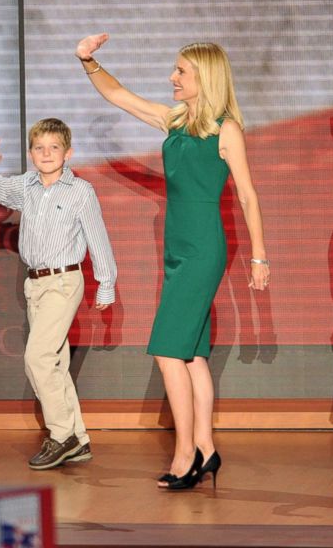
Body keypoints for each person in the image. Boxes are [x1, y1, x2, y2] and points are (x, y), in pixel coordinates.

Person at [75, 34, 269, 491]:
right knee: (193, 356)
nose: (172, 78)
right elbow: (118, 96)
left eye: (181, 71)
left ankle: (185, 455)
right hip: (176, 248)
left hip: (204, 248)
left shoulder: (227, 130)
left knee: (166, 351)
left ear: (206, 77)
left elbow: (247, 194)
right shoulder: (175, 120)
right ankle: (206, 447)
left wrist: (260, 256)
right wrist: (88, 61)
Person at [0, 119, 117, 470]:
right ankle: (78, 439)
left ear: (68, 153)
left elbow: (98, 238)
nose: (46, 154)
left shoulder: (80, 191)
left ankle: (61, 433)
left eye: (54, 148)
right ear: (30, 153)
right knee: (54, 363)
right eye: (39, 148)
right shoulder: (27, 185)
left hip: (64, 281)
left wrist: (106, 283)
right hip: (34, 283)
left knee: (37, 358)